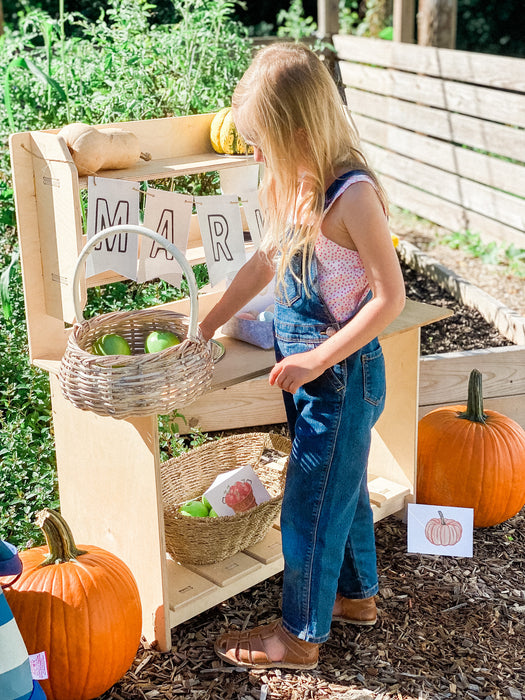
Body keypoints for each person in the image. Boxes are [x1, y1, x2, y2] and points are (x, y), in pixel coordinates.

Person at [199, 42, 406, 670]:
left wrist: (317, 361)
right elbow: (263, 262)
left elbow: (389, 299)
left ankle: (299, 637)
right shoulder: (298, 187)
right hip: (317, 381)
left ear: (297, 129)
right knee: (338, 493)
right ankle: (356, 599)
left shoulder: (351, 196)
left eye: (261, 141)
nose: (255, 154)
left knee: (309, 506)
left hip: (343, 375)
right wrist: (205, 324)